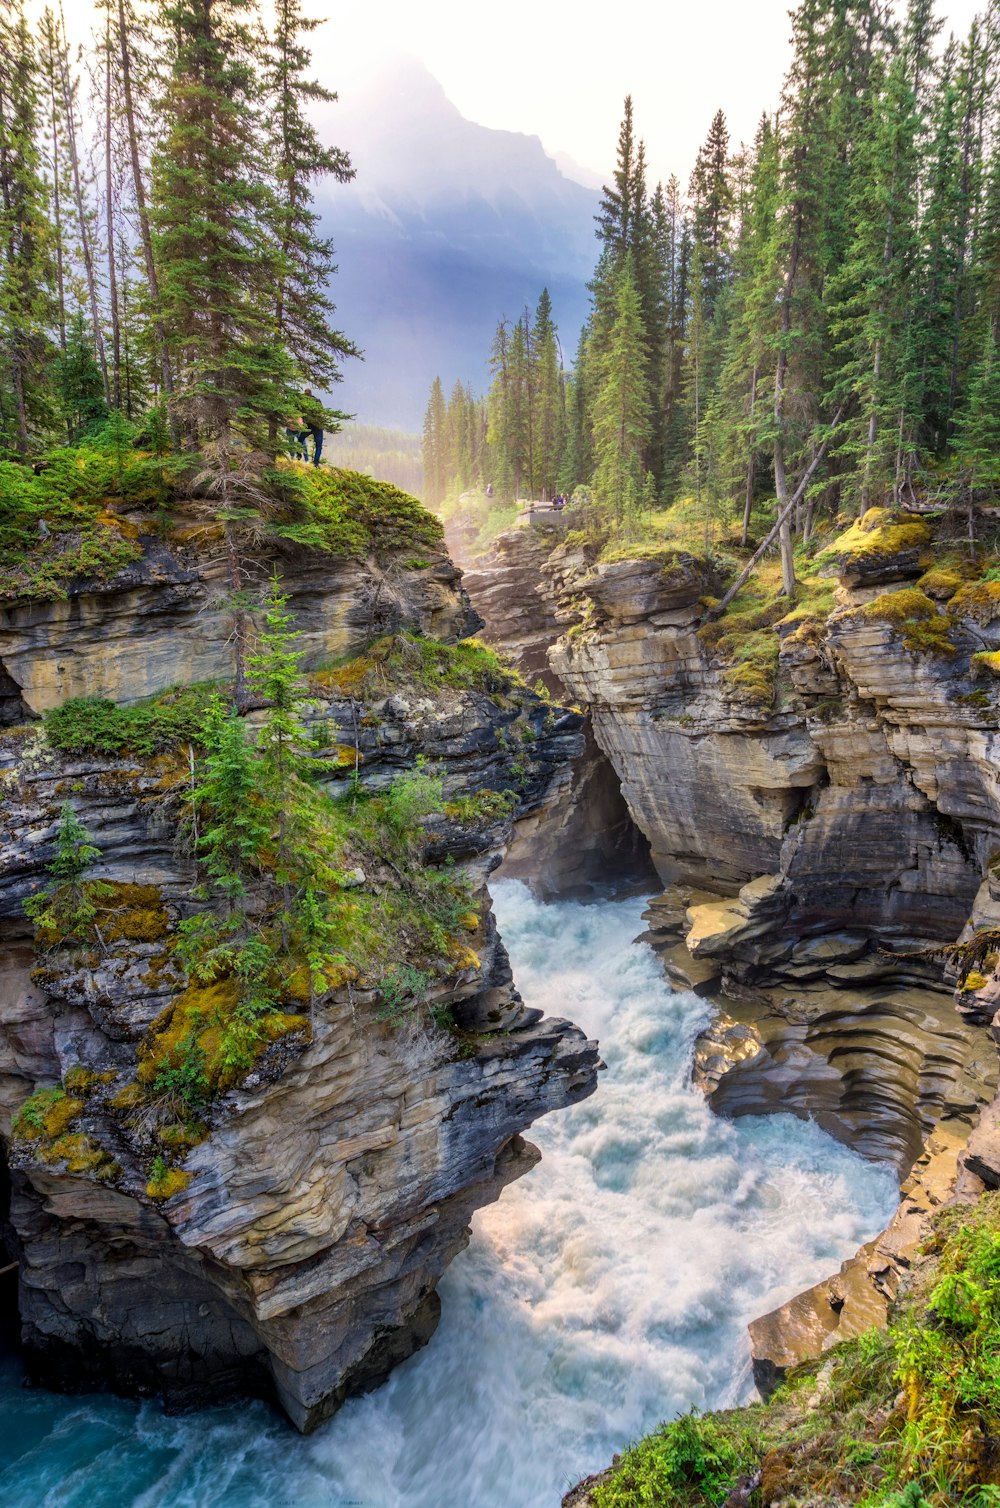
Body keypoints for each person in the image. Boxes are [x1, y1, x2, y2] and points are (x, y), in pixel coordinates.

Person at [300, 389, 328, 466]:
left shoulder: (302, 401)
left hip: (309, 425)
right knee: (319, 445)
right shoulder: (317, 401)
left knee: (300, 439)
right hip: (318, 425)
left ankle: (299, 455)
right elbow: (321, 411)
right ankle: (316, 463)